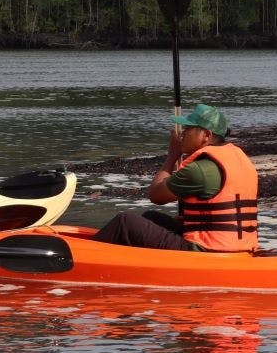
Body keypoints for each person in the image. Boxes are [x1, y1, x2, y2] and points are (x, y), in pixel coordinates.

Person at [92, 103, 259, 252]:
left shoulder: (200, 170)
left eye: (188, 129)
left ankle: (87, 260)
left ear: (206, 135)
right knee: (152, 218)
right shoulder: (239, 159)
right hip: (239, 246)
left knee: (125, 222)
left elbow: (156, 195)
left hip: (206, 250)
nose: (182, 134)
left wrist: (172, 156)